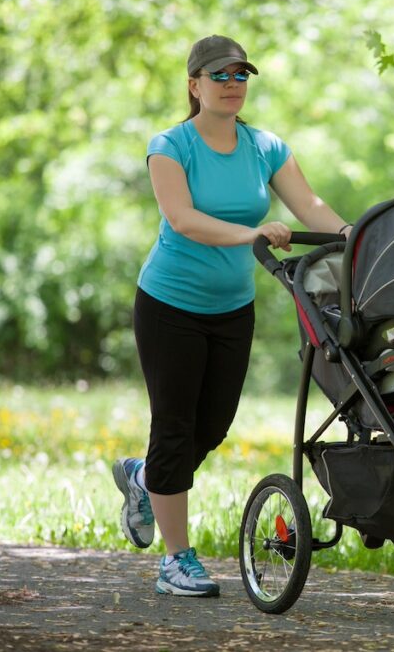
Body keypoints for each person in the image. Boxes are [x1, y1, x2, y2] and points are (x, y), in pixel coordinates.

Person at [112, 34, 352, 597]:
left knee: (212, 426)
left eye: (241, 74)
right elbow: (184, 219)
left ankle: (145, 480)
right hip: (169, 305)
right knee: (173, 427)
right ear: (194, 84)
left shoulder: (265, 146)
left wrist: (357, 240)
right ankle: (176, 561)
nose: (232, 84)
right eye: (219, 75)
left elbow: (311, 206)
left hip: (230, 308)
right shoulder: (171, 146)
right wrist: (253, 234)